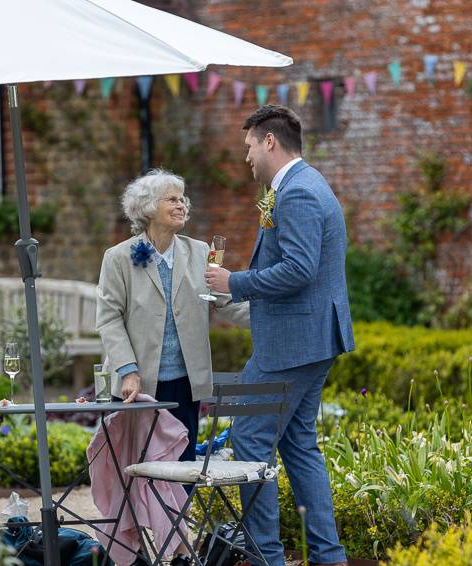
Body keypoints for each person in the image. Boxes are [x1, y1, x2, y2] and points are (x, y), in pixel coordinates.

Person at [205, 105, 354, 566]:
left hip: (291, 346)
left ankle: (266, 557)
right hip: (310, 341)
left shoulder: (298, 193)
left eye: (249, 145)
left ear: (269, 141)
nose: (246, 156)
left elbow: (299, 269)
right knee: (298, 446)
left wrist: (234, 283)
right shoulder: (303, 184)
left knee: (249, 440)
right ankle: (328, 558)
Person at [95, 168, 249, 462]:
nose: (182, 205)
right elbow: (108, 318)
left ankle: (181, 511)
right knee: (137, 468)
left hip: (185, 382)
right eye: (172, 200)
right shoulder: (118, 257)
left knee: (182, 464)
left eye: (182, 200)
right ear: (149, 207)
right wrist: (127, 370)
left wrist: (274, 319)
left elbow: (227, 303)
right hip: (136, 385)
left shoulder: (201, 251)